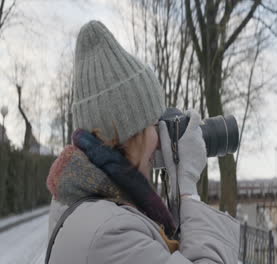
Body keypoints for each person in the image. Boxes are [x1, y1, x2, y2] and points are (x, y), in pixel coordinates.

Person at [46, 20, 239, 264]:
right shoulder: (108, 234)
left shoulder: (87, 206)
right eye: (154, 125)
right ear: (131, 134)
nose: (159, 139)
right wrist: (188, 188)